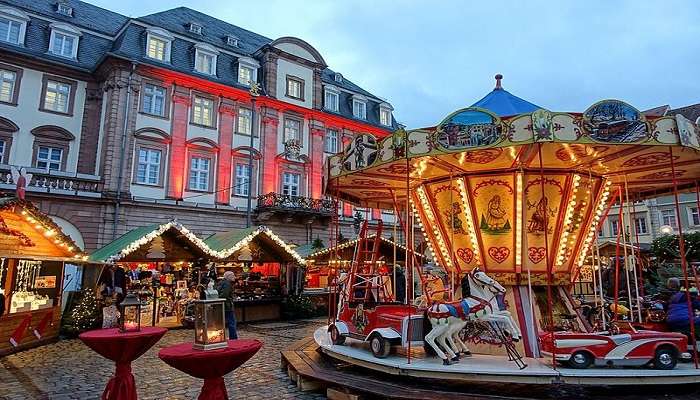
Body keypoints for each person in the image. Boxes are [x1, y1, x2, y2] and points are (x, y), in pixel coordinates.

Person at [216, 271, 238, 339]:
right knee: (232, 322)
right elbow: (225, 295)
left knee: (222, 323)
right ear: (229, 276)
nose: (234, 277)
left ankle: (220, 337)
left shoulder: (221, 282)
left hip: (222, 305)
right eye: (233, 275)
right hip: (227, 306)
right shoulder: (227, 284)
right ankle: (233, 338)